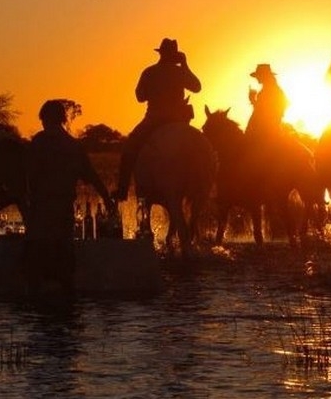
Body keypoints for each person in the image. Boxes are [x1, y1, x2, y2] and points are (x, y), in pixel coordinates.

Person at [23, 99, 114, 294]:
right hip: (64, 207)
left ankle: (39, 299)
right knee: (63, 251)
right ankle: (66, 298)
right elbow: (93, 177)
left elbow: (28, 176)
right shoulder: (73, 145)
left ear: (45, 119)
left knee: (38, 253)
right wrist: (106, 198)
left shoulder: (38, 142)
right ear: (63, 119)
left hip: (41, 208)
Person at [114, 38, 201, 201]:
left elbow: (140, 96)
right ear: (175, 56)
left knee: (130, 148)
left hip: (154, 120)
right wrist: (185, 65)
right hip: (178, 121)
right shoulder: (180, 72)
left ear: (161, 53)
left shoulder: (149, 72)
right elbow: (197, 87)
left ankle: (122, 191)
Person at [245, 63, 289, 145]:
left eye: (259, 75)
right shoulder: (271, 88)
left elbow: (263, 111)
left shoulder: (271, 90)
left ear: (264, 76)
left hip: (266, 131)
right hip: (264, 129)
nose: (257, 78)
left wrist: (253, 100)